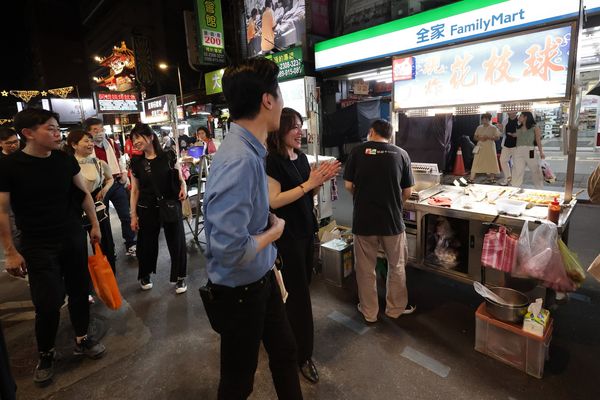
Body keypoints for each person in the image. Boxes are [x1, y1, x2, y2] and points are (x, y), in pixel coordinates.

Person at [202, 58, 303, 400]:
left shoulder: (249, 149)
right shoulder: (241, 159)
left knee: (286, 353)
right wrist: (273, 233)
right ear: (267, 100)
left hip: (262, 278)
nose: (282, 101)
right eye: (280, 93)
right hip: (241, 292)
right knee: (237, 382)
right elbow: (230, 250)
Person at [0, 109, 105, 386]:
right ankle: (46, 353)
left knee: (80, 291)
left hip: (71, 235)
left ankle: (82, 338)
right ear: (28, 134)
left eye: (58, 128)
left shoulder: (63, 159)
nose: (58, 133)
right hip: (37, 243)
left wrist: (94, 225)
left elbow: (83, 194)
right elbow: (2, 211)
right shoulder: (10, 166)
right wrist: (10, 250)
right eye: (51, 129)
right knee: (47, 302)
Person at [266, 107, 340, 384]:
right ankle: (302, 355)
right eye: (294, 126)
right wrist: (310, 182)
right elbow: (273, 201)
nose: (300, 131)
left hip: (307, 232)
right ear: (281, 129)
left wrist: (318, 182)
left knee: (299, 291)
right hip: (286, 238)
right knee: (298, 298)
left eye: (301, 126)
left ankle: (288, 343)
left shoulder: (302, 158)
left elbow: (307, 193)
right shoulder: (271, 161)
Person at [343, 119, 415, 323]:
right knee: (397, 266)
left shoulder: (357, 152)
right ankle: (395, 309)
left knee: (366, 269)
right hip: (392, 222)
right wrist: (395, 202)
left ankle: (369, 312)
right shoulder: (401, 154)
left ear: (371, 132)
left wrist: (362, 197)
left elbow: (348, 185)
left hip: (364, 221)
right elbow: (407, 191)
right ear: (390, 135)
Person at [129, 123, 188, 294]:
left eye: (138, 137)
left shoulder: (169, 156)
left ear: (151, 137)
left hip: (169, 204)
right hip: (147, 207)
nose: (135, 142)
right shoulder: (136, 162)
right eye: (133, 139)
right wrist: (133, 215)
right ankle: (145, 273)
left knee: (176, 241)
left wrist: (183, 187)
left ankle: (180, 276)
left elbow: (179, 177)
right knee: (146, 243)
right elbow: (135, 190)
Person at [66, 130, 116, 272]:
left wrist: (105, 189)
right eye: (86, 141)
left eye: (91, 141)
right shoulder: (68, 164)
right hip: (75, 210)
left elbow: (110, 178)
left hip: (97, 208)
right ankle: (83, 286)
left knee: (105, 245)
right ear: (74, 145)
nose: (90, 144)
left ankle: (109, 279)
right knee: (78, 248)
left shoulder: (98, 163)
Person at [85, 118, 137, 256]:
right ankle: (108, 249)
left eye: (101, 129)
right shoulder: (88, 147)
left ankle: (131, 243)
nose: (99, 132)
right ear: (88, 132)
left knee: (126, 215)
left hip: (116, 182)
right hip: (98, 188)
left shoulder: (111, 143)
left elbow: (120, 159)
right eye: (95, 130)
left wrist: (124, 173)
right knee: (103, 219)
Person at [512, 111, 545, 189]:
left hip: (530, 150)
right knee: (517, 169)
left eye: (520, 116)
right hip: (518, 150)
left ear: (525, 117)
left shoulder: (535, 127)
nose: (518, 117)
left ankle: (539, 188)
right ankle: (515, 187)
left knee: (535, 169)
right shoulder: (518, 127)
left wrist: (541, 152)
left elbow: (538, 140)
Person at [468, 113, 501, 184]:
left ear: (489, 120)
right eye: (483, 119)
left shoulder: (493, 128)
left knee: (492, 161)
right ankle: (471, 178)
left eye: (486, 119)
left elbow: (497, 137)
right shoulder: (479, 127)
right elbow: (474, 137)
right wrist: (480, 138)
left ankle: (492, 178)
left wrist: (488, 137)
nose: (484, 121)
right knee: (476, 161)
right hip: (480, 146)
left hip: (490, 146)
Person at [499, 111, 519, 186]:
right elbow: (502, 134)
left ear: (515, 112)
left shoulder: (520, 120)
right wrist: (500, 129)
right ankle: (508, 178)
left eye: (511, 111)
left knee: (516, 163)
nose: (509, 112)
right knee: (503, 160)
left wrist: (517, 134)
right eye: (508, 111)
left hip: (517, 145)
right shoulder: (505, 120)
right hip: (506, 144)